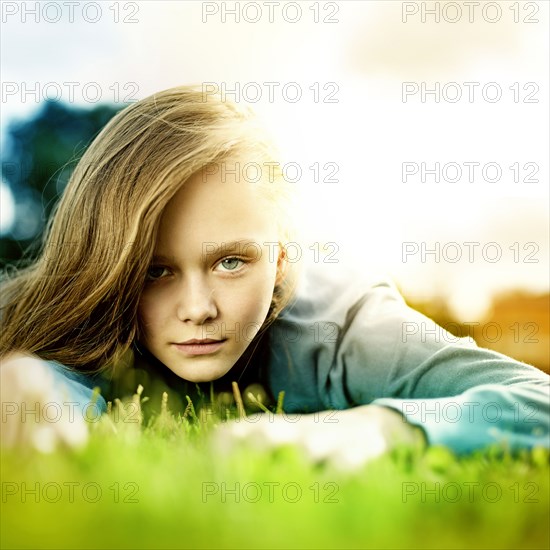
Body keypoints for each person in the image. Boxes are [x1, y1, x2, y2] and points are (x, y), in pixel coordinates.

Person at [1, 85, 548, 466]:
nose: (198, 308)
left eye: (231, 262)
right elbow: (57, 394)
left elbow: (533, 399)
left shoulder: (340, 326)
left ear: (283, 256)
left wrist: (377, 429)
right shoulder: (86, 314)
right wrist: (37, 391)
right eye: (156, 272)